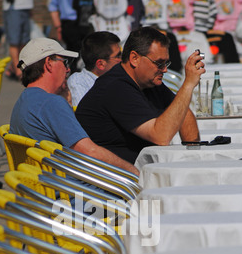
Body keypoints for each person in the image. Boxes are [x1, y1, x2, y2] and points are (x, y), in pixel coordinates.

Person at [10, 37, 139, 176]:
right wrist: (134, 171)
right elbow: (91, 152)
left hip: (42, 189)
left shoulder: (23, 102)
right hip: (72, 193)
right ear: (48, 64)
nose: (68, 69)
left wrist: (68, 105)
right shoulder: (51, 103)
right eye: (65, 62)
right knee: (149, 193)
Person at [76, 26, 204, 165]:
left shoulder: (149, 83)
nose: (165, 69)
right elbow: (161, 137)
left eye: (166, 63)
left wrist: (192, 159)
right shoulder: (115, 87)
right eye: (159, 63)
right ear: (134, 58)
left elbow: (184, 114)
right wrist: (188, 85)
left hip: (141, 173)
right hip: (113, 180)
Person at [67, 31, 121, 107]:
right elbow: (85, 116)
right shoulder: (78, 82)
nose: (122, 60)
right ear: (101, 64)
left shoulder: (118, 79)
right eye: (118, 56)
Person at [3, 0, 34, 80]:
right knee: (14, 41)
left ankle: (14, 67)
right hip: (13, 6)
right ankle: (18, 71)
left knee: (24, 41)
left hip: (26, 6)